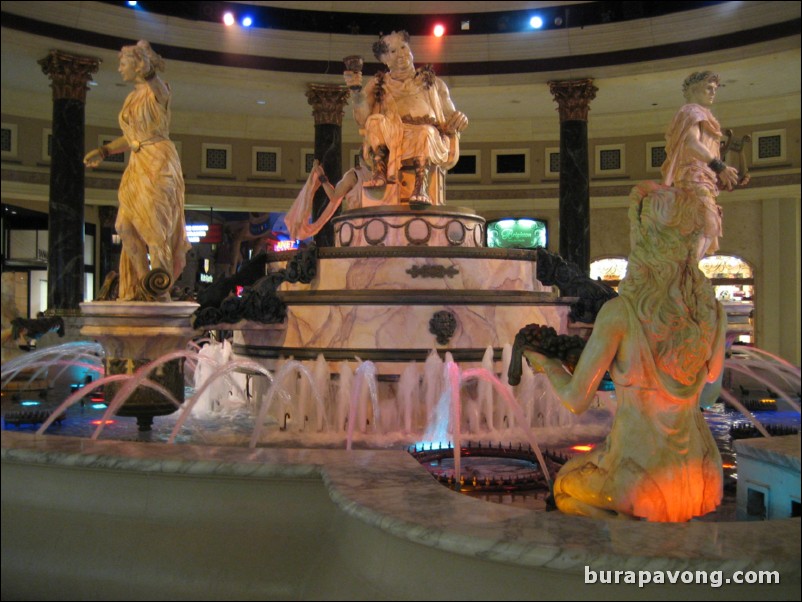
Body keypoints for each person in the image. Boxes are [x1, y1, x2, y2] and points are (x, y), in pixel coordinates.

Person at [523, 181, 727, 522]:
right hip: (703, 472)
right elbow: (710, 395)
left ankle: (624, 550)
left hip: (641, 474)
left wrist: (547, 365)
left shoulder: (621, 313)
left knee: (563, 488)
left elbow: (576, 399)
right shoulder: (712, 311)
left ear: (647, 240)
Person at [84, 40, 190, 301]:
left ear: (139, 64)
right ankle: (145, 285)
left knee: (156, 230)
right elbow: (132, 137)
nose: (120, 68)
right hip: (138, 162)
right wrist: (105, 150)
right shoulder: (131, 97)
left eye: (123, 63)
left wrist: (149, 71)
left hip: (159, 162)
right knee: (124, 225)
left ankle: (160, 291)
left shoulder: (159, 90)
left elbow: (160, 92)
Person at [344, 31, 468, 204]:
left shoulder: (434, 83)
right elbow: (362, 119)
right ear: (384, 59)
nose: (401, 54)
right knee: (374, 121)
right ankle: (380, 171)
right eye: (393, 51)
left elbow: (451, 117)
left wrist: (460, 119)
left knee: (425, 132)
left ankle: (420, 186)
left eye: (404, 47)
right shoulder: (377, 84)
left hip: (426, 135)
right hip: (391, 135)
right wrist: (356, 92)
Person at [661, 71, 740, 260]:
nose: (713, 93)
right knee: (708, 223)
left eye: (715, 89)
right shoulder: (691, 112)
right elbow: (692, 143)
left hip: (702, 178)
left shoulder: (702, 114)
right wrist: (719, 167)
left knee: (704, 226)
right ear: (694, 89)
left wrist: (719, 176)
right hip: (692, 176)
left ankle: (688, 270)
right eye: (708, 88)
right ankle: (688, 269)